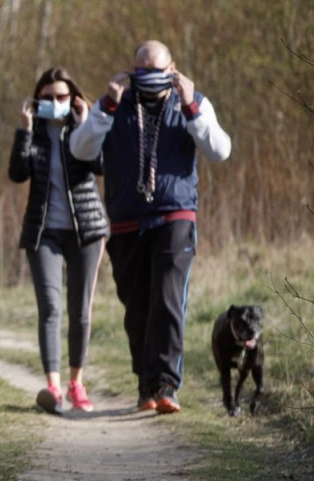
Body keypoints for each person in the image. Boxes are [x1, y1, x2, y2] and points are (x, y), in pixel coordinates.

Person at [70, 40, 232, 414]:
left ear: (172, 68)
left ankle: (166, 385)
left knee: (168, 299)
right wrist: (106, 106)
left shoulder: (193, 103)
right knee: (137, 308)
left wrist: (191, 105)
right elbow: (80, 149)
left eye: (156, 71)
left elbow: (220, 151)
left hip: (175, 215)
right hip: (127, 222)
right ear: (131, 71)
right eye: (140, 72)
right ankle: (146, 384)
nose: (148, 79)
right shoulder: (112, 106)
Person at [9, 67, 109, 415]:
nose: (55, 103)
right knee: (50, 308)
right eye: (48, 98)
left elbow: (100, 166)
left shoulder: (84, 128)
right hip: (43, 232)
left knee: (80, 310)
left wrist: (85, 126)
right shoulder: (33, 133)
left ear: (74, 99)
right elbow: (17, 173)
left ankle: (76, 382)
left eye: (61, 97)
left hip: (86, 231)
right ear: (38, 101)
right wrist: (25, 130)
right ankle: (53, 388)